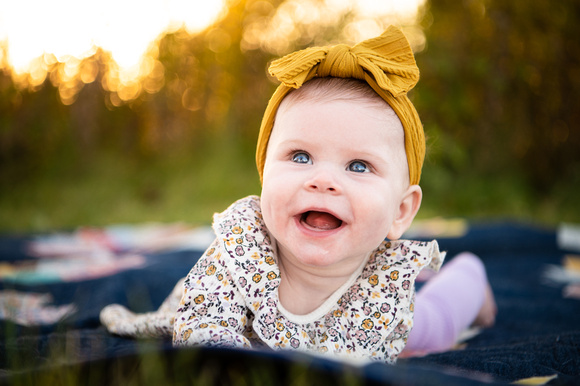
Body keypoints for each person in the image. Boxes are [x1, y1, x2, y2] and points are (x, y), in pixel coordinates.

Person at [100, 25, 496, 363]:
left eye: (358, 166)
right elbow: (206, 329)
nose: (323, 181)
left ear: (401, 212)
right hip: (221, 323)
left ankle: (472, 279)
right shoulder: (241, 252)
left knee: (437, 327)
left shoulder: (385, 296)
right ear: (264, 174)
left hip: (365, 312)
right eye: (300, 156)